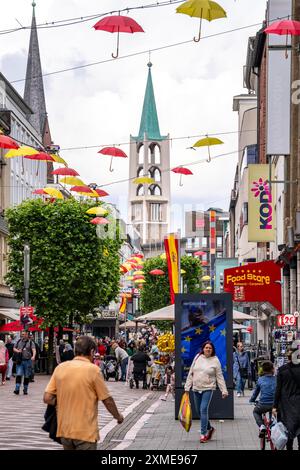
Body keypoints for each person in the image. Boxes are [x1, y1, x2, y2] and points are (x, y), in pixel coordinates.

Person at [43, 335, 124, 450]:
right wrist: (118, 417)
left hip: (65, 430)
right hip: (85, 432)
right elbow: (107, 400)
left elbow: (47, 398)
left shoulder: (60, 368)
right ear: (91, 351)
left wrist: (62, 401)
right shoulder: (93, 370)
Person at [184, 340, 228, 443]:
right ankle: (210, 428)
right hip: (196, 387)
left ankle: (203, 434)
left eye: (210, 348)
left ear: (212, 350)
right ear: (203, 349)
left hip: (208, 388)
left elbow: (219, 377)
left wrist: (224, 390)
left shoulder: (215, 360)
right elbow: (191, 372)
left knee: (203, 410)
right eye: (206, 348)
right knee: (199, 411)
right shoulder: (197, 357)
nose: (208, 349)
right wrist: (187, 387)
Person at [273, 345, 300, 451]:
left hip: (286, 405)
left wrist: (275, 406)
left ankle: (289, 447)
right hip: (298, 403)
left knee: (288, 429)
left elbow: (278, 389)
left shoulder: (282, 370)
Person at [249, 361, 276, 437]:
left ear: (263, 370)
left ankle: (262, 426)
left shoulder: (260, 379)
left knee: (256, 412)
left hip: (263, 404)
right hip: (275, 404)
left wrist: (251, 400)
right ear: (273, 369)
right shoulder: (277, 379)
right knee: (275, 413)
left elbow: (256, 393)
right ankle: (273, 423)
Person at [13, 330, 36, 395]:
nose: (22, 335)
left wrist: (33, 356)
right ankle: (17, 389)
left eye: (24, 334)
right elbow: (14, 348)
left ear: (27, 335)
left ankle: (25, 389)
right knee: (19, 374)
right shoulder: (18, 341)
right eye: (22, 334)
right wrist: (18, 351)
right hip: (20, 361)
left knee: (26, 376)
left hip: (28, 361)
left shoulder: (31, 342)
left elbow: (34, 350)